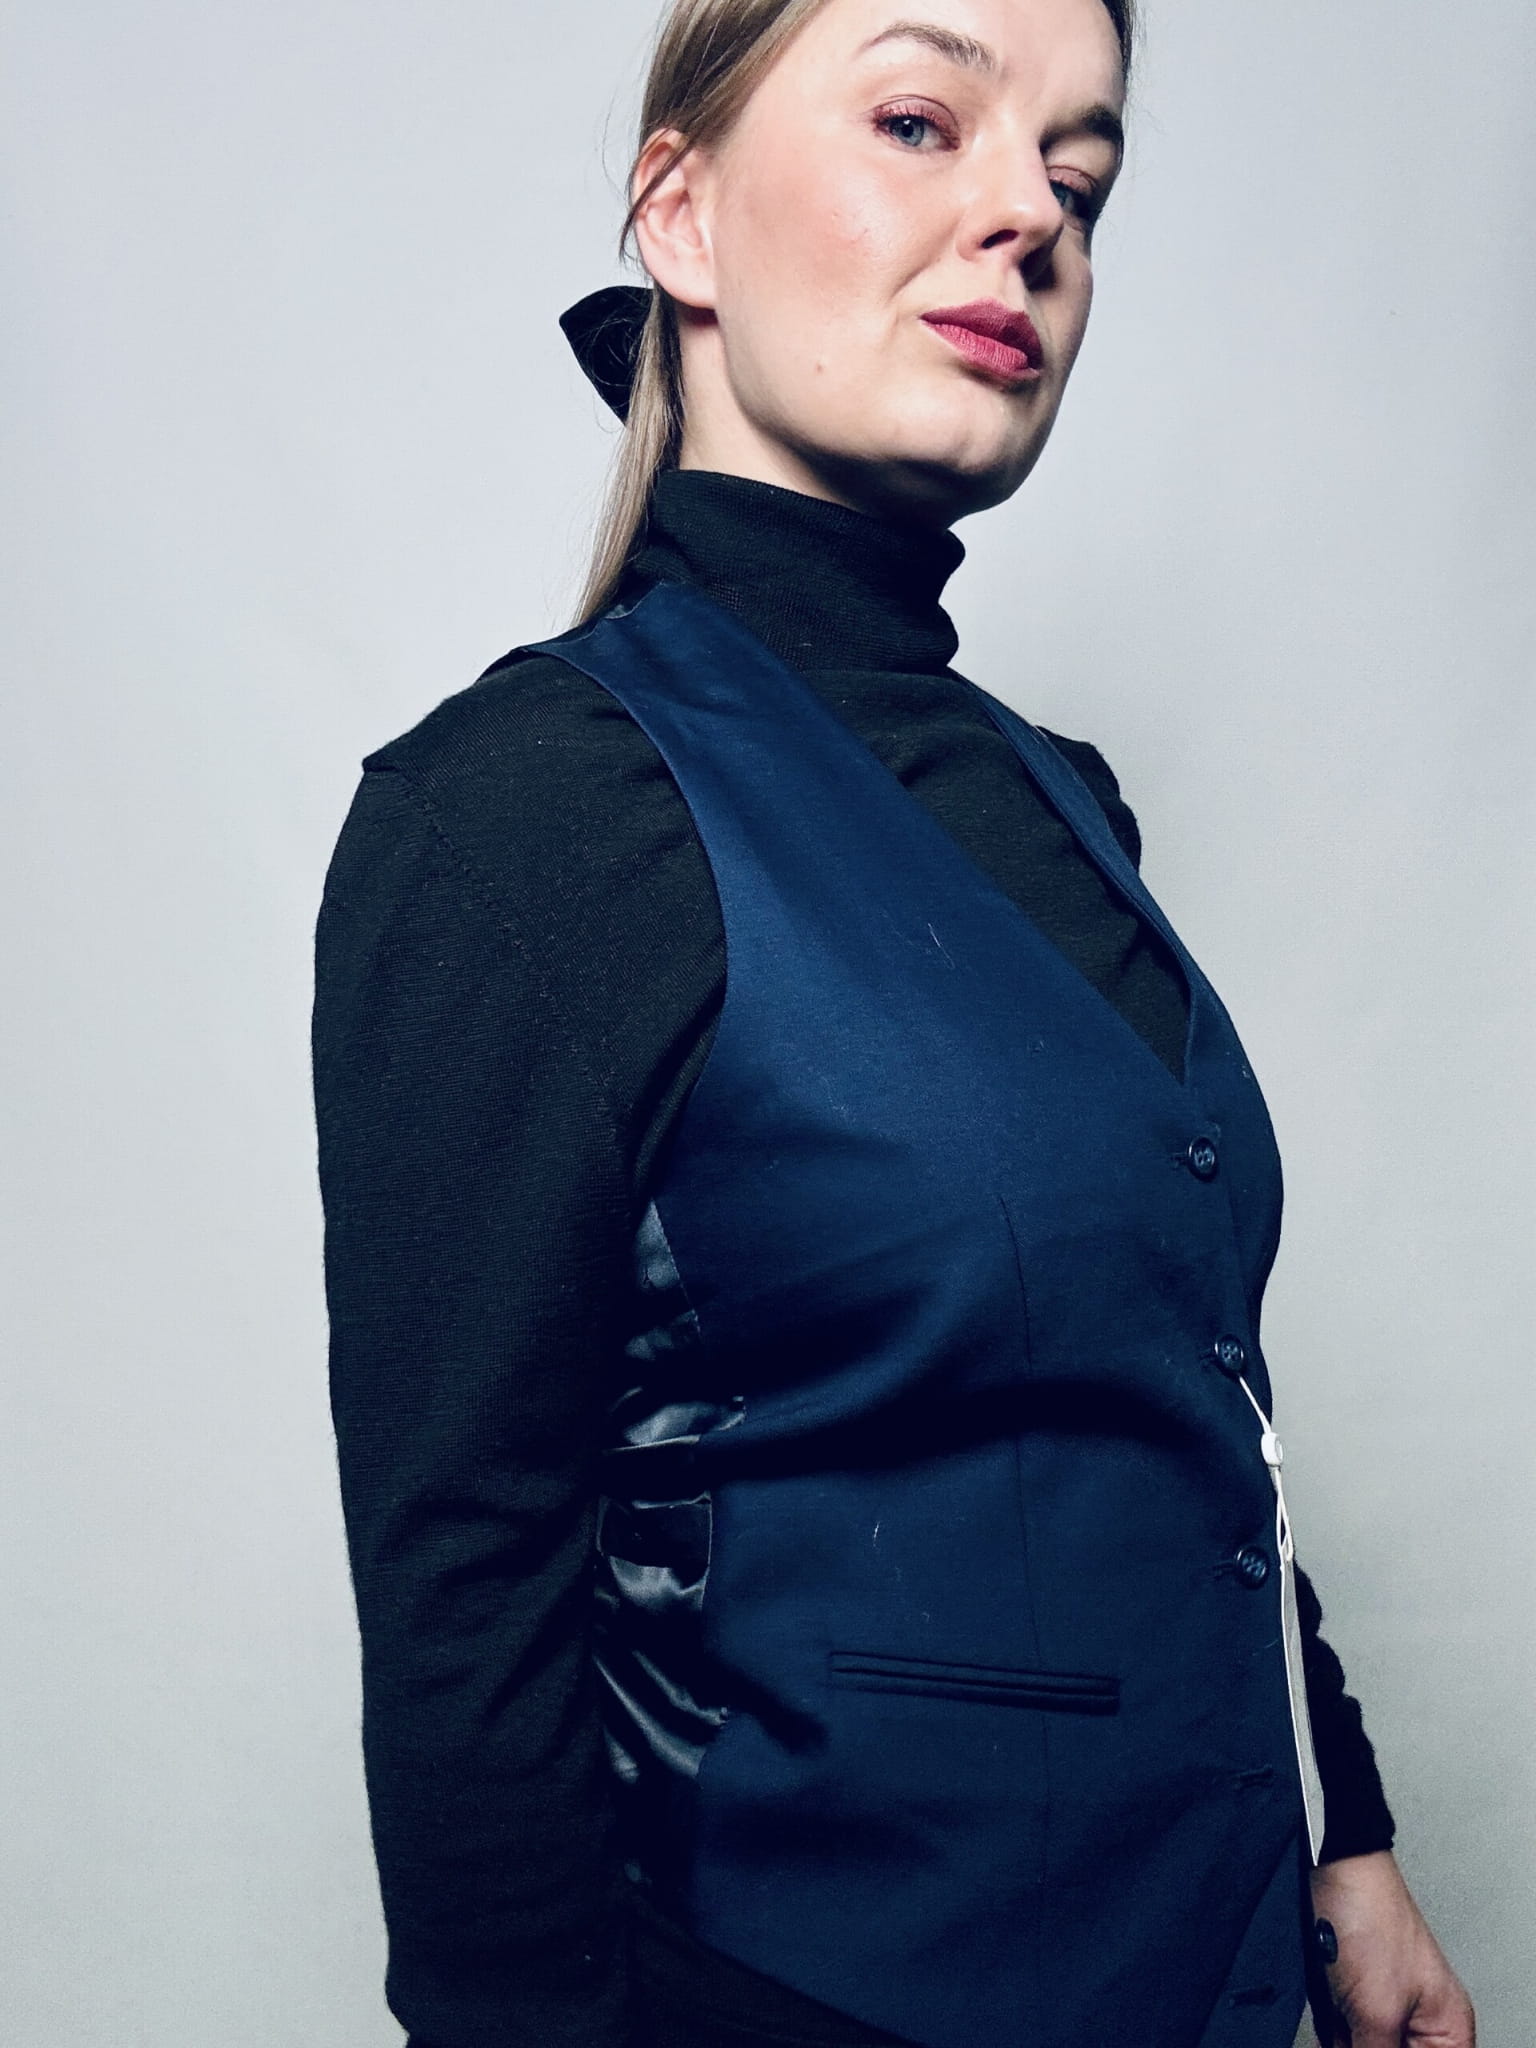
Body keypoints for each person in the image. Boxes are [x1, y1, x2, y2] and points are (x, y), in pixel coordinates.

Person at [310, 1, 1478, 2044]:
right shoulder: (526, 811)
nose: (1030, 214)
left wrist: (1345, 1838)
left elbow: (1192, 1394)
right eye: (926, 121)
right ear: (681, 214)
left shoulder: (1065, 802)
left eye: (1080, 178)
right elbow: (464, 1612)